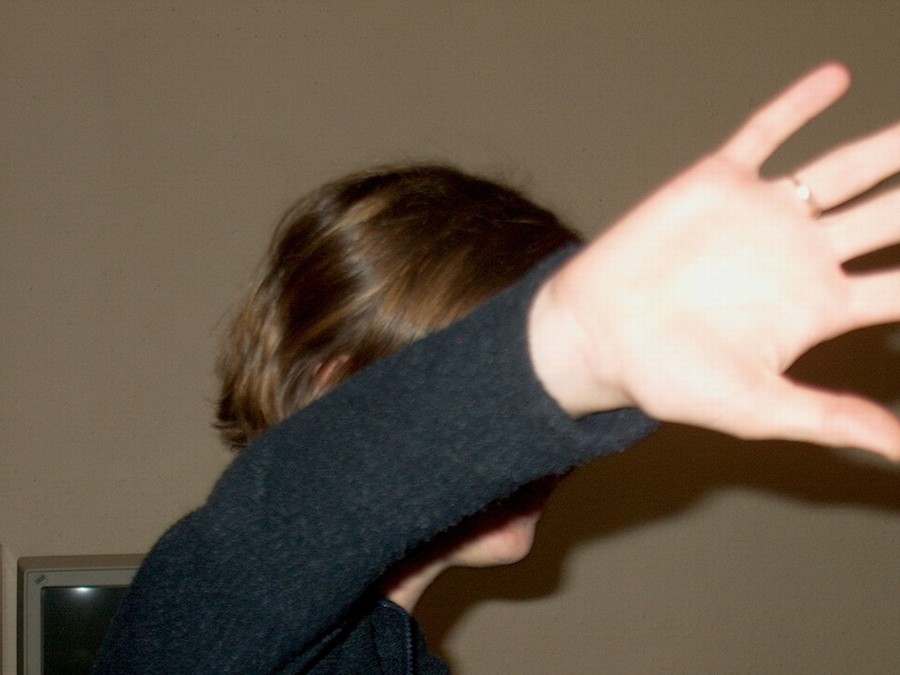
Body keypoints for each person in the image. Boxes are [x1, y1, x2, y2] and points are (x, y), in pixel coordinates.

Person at [94, 63, 900, 673]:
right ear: (336, 390)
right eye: (489, 389)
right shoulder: (209, 617)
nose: (547, 436)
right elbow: (275, 527)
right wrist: (569, 348)